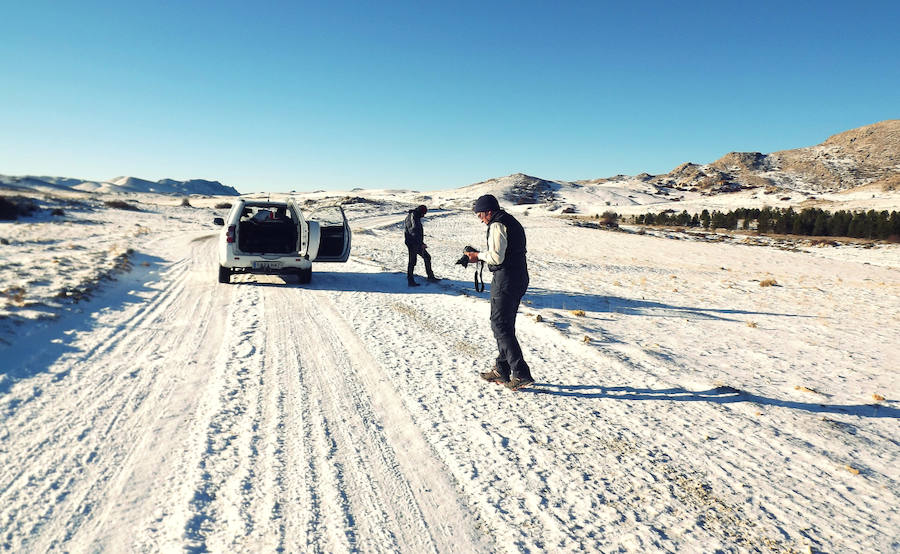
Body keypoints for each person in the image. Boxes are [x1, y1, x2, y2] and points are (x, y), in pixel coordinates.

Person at [466, 194, 535, 390]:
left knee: (500, 326)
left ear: (489, 211)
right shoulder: (509, 221)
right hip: (518, 276)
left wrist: (477, 256)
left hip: (506, 279)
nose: (480, 218)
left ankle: (521, 373)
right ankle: (502, 369)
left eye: (480, 214)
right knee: (505, 325)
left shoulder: (497, 225)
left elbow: (496, 257)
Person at [404, 204, 439, 286]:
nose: (423, 216)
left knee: (427, 257)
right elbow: (414, 232)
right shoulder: (414, 218)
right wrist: (421, 244)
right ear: (420, 212)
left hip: (413, 242)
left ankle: (430, 276)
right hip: (413, 243)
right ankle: (411, 281)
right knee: (412, 262)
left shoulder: (413, 216)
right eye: (423, 214)